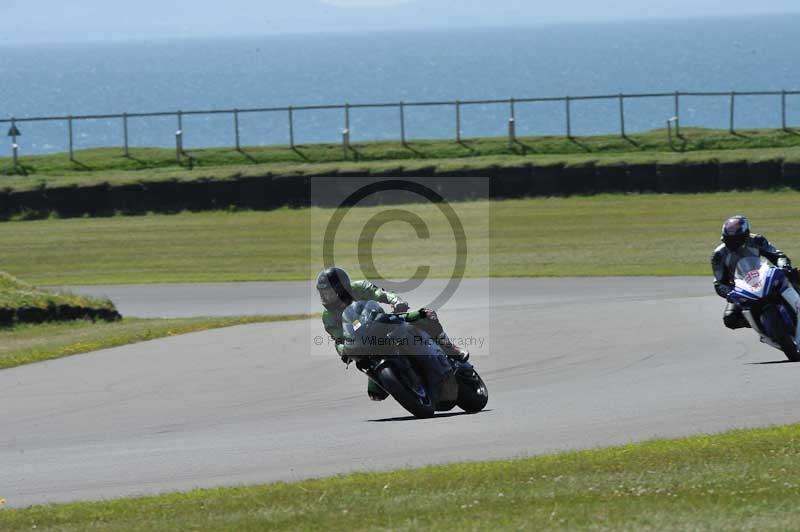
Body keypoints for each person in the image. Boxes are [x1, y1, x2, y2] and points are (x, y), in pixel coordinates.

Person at [316, 267, 469, 401]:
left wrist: (396, 301)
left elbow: (381, 294)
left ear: (340, 289)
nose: (324, 297)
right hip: (364, 342)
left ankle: (450, 348)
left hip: (382, 322)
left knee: (426, 315)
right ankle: (404, 381)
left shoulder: (359, 287)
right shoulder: (328, 316)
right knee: (376, 394)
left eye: (328, 292)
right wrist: (343, 350)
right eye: (322, 293)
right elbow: (338, 339)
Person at [711, 215, 797, 334]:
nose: (732, 243)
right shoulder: (718, 255)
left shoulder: (756, 240)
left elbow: (777, 255)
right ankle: (762, 323)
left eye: (736, 239)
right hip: (742, 288)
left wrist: (784, 265)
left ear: (745, 235)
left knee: (793, 275)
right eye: (728, 239)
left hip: (765, 277)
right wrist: (730, 294)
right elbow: (719, 283)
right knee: (730, 319)